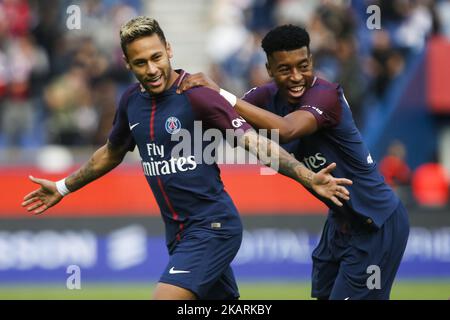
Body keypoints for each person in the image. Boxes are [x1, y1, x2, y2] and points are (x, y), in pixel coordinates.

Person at [21, 17, 352, 300]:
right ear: (127, 63)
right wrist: (63, 187)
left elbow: (255, 143)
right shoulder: (130, 102)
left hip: (213, 227)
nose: (151, 69)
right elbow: (111, 152)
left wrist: (307, 177)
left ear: (169, 50)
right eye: (140, 63)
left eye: (156, 57)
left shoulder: (197, 95)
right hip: (177, 234)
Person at [178, 24, 410, 300]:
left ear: (311, 61)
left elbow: (287, 129)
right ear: (269, 69)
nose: (297, 76)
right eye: (285, 69)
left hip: (376, 223)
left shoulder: (326, 94)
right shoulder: (265, 97)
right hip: (340, 225)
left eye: (303, 65)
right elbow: (224, 116)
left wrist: (222, 93)